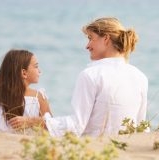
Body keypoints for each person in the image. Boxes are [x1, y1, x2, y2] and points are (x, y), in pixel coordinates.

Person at [11, 17, 149, 137]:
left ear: (106, 39)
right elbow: (142, 127)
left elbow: (76, 126)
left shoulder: (90, 75)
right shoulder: (140, 77)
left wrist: (35, 122)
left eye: (90, 38)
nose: (87, 46)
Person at [0, 49, 52, 134]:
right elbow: (52, 126)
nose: (39, 71)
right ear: (24, 73)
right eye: (36, 66)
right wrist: (33, 122)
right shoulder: (37, 97)